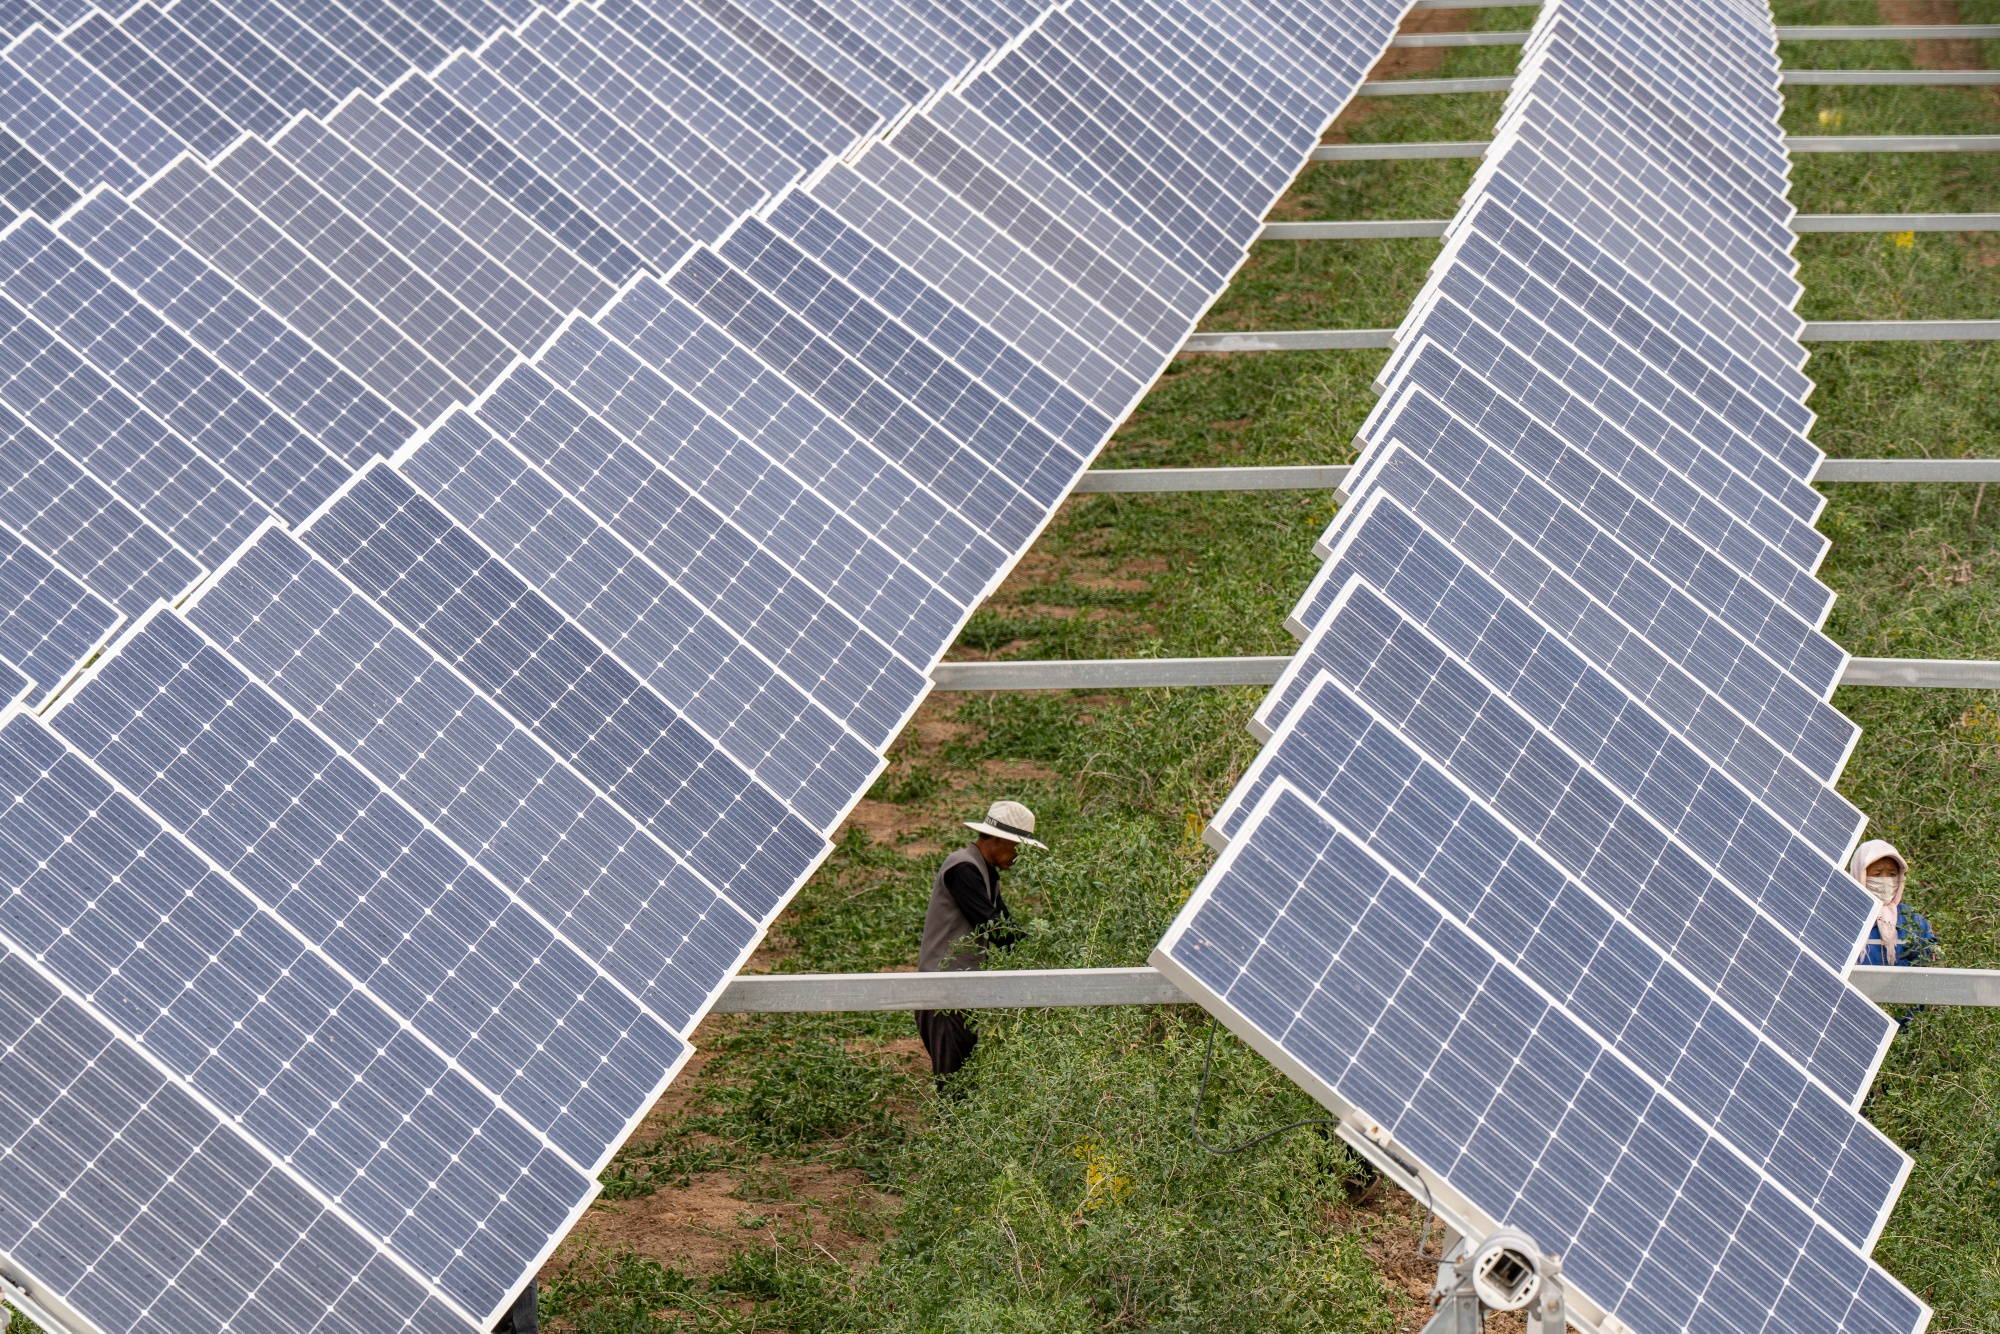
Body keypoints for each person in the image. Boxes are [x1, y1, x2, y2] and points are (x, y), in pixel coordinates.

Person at [914, 800, 1045, 1086]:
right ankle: (949, 1132)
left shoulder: (987, 875)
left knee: (964, 1083)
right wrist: (1042, 954)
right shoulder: (962, 867)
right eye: (1017, 847)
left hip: (960, 994)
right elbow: (994, 927)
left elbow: (1006, 928)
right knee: (956, 1089)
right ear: (997, 839)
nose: (1018, 856)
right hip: (943, 996)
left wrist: (1040, 952)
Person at [1850, 839, 1939, 968]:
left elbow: (1934, 960)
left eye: (1892, 874)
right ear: (1860, 874)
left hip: (1901, 988)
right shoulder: (1845, 917)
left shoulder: (1912, 919)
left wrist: (1926, 954)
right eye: (1877, 874)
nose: (1885, 880)